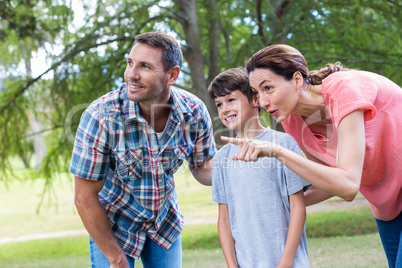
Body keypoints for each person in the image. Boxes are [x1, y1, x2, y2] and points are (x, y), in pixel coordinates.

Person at [222, 44, 402, 268]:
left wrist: (277, 151)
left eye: (268, 88)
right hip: (387, 204)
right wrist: (266, 204)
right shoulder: (293, 120)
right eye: (257, 93)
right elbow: (327, 182)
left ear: (297, 80)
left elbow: (347, 186)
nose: (263, 102)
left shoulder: (344, 88)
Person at [69, 31, 216, 268]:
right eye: (130, 63)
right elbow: (84, 197)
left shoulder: (193, 111)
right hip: (114, 225)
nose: (131, 75)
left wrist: (235, 166)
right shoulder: (101, 116)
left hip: (163, 224)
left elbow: (202, 166)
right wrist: (116, 259)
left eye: (145, 66)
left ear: (172, 75)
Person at [208, 67, 311, 267]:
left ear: (255, 100)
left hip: (289, 262)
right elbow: (224, 220)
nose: (225, 109)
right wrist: (232, 265)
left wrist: (286, 262)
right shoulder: (221, 158)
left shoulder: (284, 145)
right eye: (219, 104)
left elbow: (298, 207)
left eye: (231, 100)